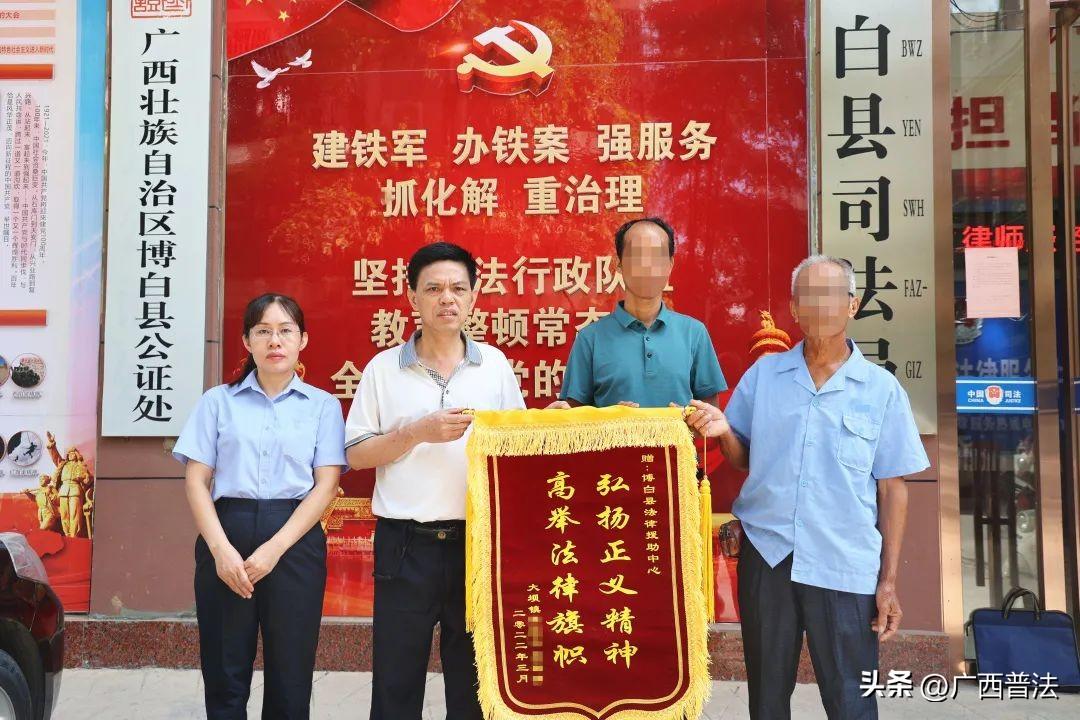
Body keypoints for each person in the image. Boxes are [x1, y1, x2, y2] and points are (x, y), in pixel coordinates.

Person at [684, 255, 929, 720]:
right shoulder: (764, 376)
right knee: (767, 699)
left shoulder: (880, 389)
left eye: (831, 295)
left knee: (851, 701)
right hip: (769, 557)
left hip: (844, 563)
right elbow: (742, 456)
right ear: (794, 309)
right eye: (807, 297)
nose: (819, 306)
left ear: (852, 305)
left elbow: (893, 489)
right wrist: (724, 431)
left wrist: (888, 581)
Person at [345, 241, 526, 720]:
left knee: (473, 685)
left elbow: (518, 448)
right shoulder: (383, 369)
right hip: (405, 545)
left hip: (477, 544)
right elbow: (357, 455)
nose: (447, 298)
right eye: (434, 289)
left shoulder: (495, 366)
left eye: (458, 289)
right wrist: (414, 433)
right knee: (396, 680)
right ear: (412, 297)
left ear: (474, 296)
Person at [174, 293, 346, 719]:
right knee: (225, 670)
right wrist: (220, 551)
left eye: (286, 330)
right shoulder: (217, 401)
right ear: (246, 340)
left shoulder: (323, 406)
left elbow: (326, 485)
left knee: (291, 673)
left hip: (295, 540)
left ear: (303, 339)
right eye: (263, 331)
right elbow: (196, 480)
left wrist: (274, 548)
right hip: (226, 533)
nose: (275, 341)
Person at [554, 216, 726, 409]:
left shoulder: (694, 333)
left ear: (670, 264)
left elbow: (710, 415)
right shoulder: (590, 339)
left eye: (657, 256)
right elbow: (574, 416)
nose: (647, 265)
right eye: (637, 255)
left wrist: (685, 419)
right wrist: (610, 417)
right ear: (619, 264)